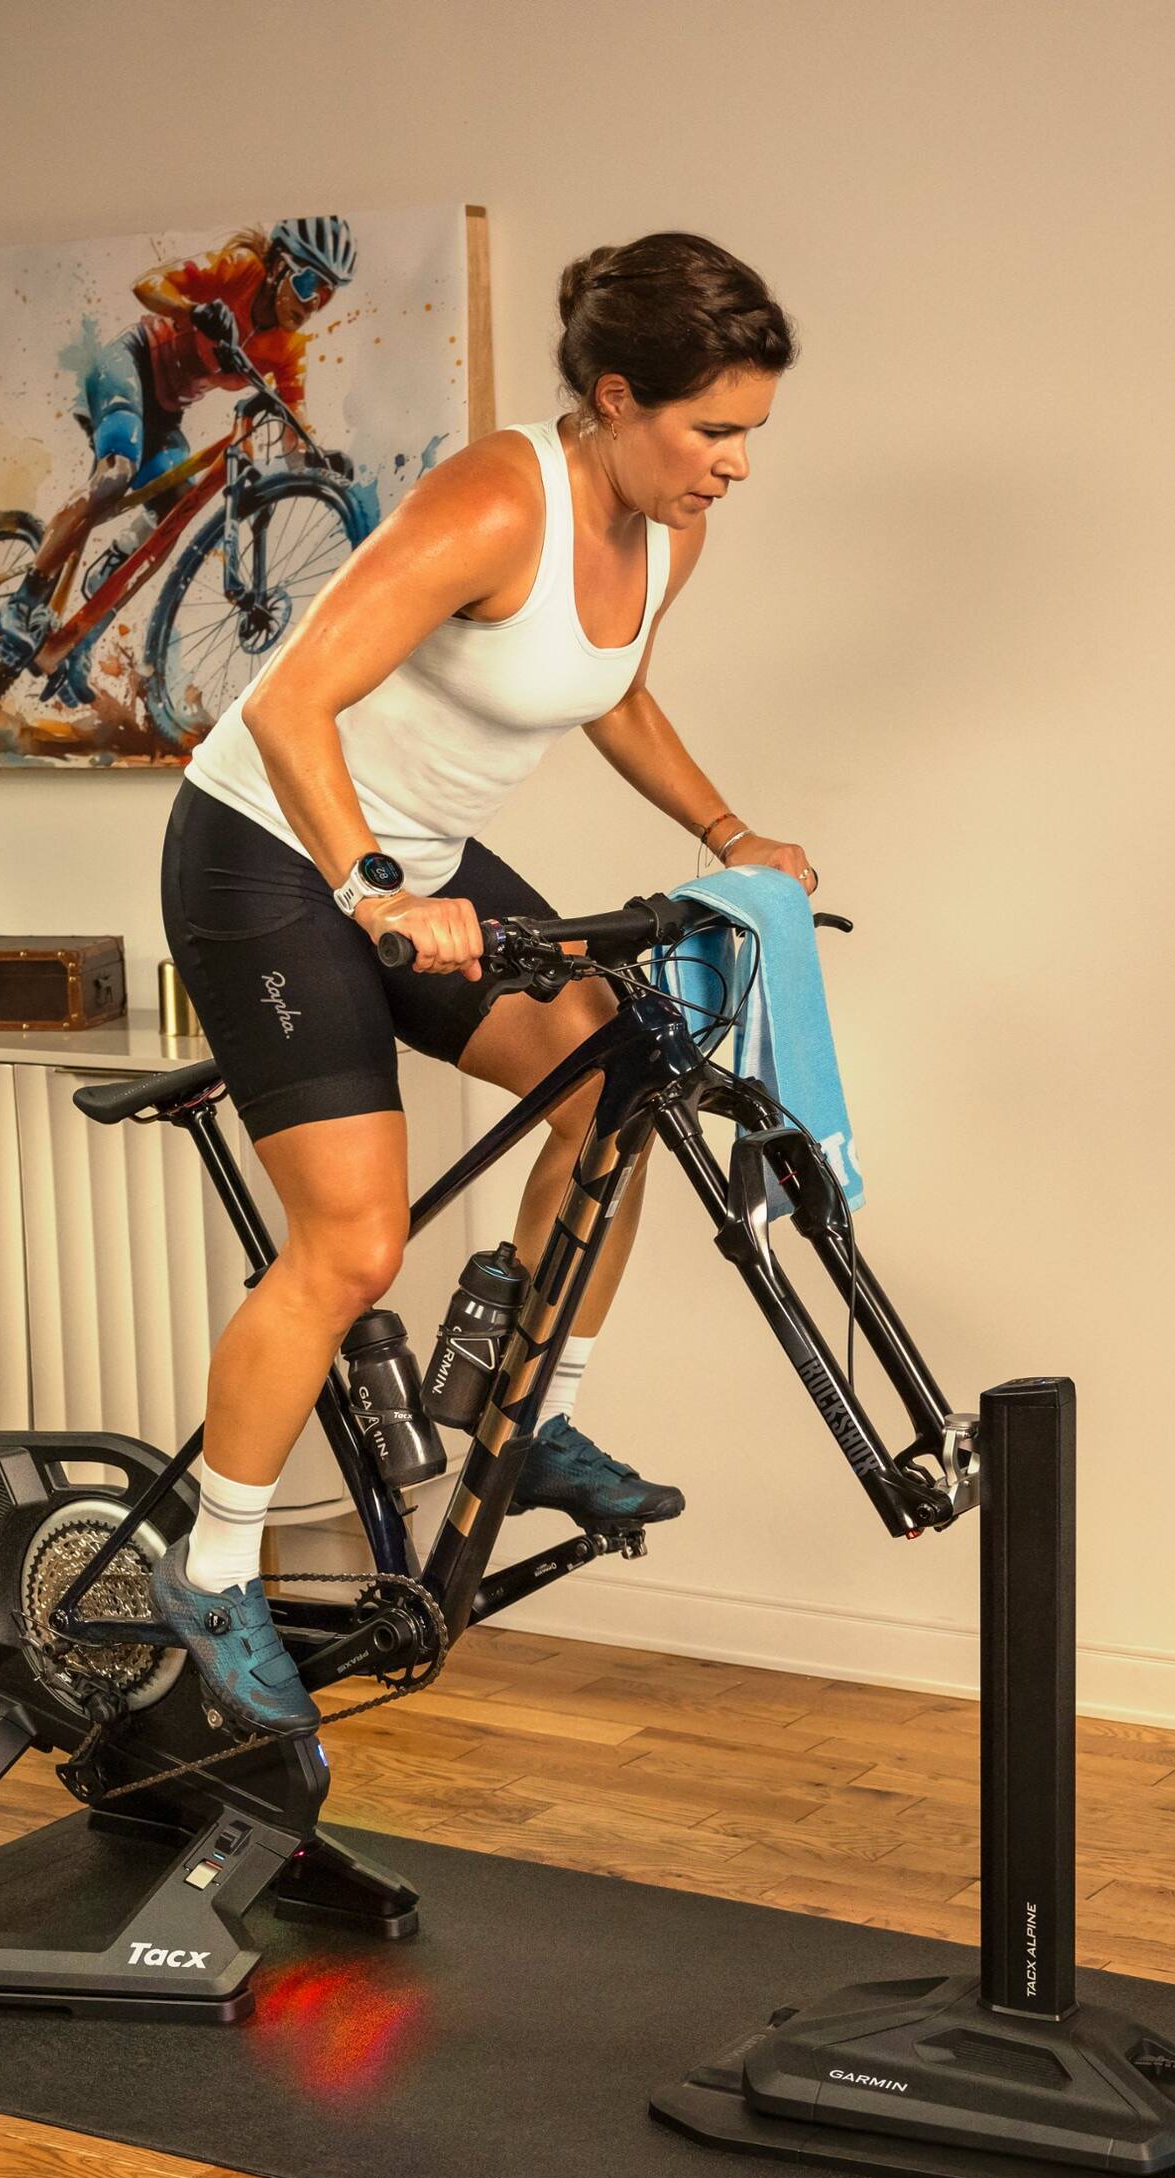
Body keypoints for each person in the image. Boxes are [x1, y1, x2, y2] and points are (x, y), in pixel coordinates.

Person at [154, 230, 810, 1734]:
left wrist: (729, 834)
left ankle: (529, 1418)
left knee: (619, 1078)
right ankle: (215, 1568)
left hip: (422, 862)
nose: (735, 467)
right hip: (268, 854)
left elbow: (613, 683)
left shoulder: (669, 525)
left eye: (753, 435)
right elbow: (291, 699)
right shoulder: (493, 501)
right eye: (714, 432)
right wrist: (372, 890)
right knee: (354, 1247)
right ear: (619, 395)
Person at [0, 215, 356, 684]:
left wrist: (317, 462)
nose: (313, 304)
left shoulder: (288, 347)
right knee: (115, 474)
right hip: (130, 364)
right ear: (278, 267)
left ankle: (96, 599)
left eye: (326, 296)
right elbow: (147, 286)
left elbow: (294, 431)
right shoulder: (240, 268)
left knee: (174, 514)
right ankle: (21, 603)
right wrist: (192, 312)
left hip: (167, 413)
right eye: (309, 284)